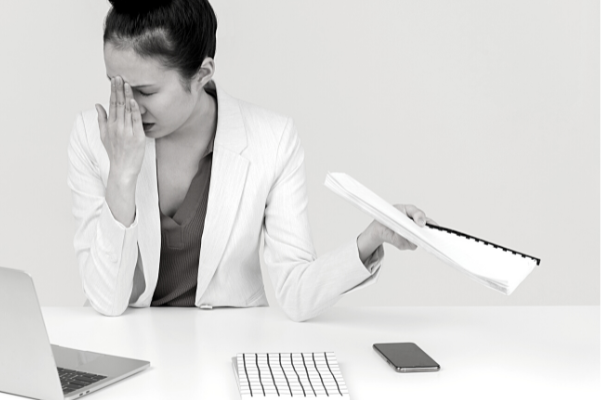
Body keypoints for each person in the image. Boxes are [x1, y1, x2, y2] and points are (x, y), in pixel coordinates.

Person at [67, 0, 436, 321]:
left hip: (228, 344)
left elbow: (295, 292)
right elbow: (106, 301)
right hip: (125, 345)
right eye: (115, 85)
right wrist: (122, 174)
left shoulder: (271, 140)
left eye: (145, 91)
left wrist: (371, 238)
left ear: (202, 74)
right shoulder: (92, 136)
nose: (127, 106)